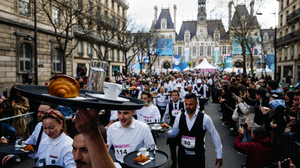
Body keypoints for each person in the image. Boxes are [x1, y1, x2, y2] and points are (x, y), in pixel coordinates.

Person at [163, 93, 223, 168]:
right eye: (186, 104)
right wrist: (164, 131)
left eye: (190, 104)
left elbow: (214, 135)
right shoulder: (179, 117)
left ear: (196, 103)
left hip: (197, 156)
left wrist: (219, 155)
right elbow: (174, 133)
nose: (188, 107)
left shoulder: (205, 118)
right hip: (183, 155)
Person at [162, 90, 185, 168]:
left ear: (179, 96)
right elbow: (165, 116)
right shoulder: (169, 105)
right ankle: (174, 163)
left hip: (181, 129)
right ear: (171, 97)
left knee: (182, 147)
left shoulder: (183, 105)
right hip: (172, 128)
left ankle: (181, 163)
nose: (174, 96)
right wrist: (162, 125)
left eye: (176, 95)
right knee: (172, 147)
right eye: (173, 95)